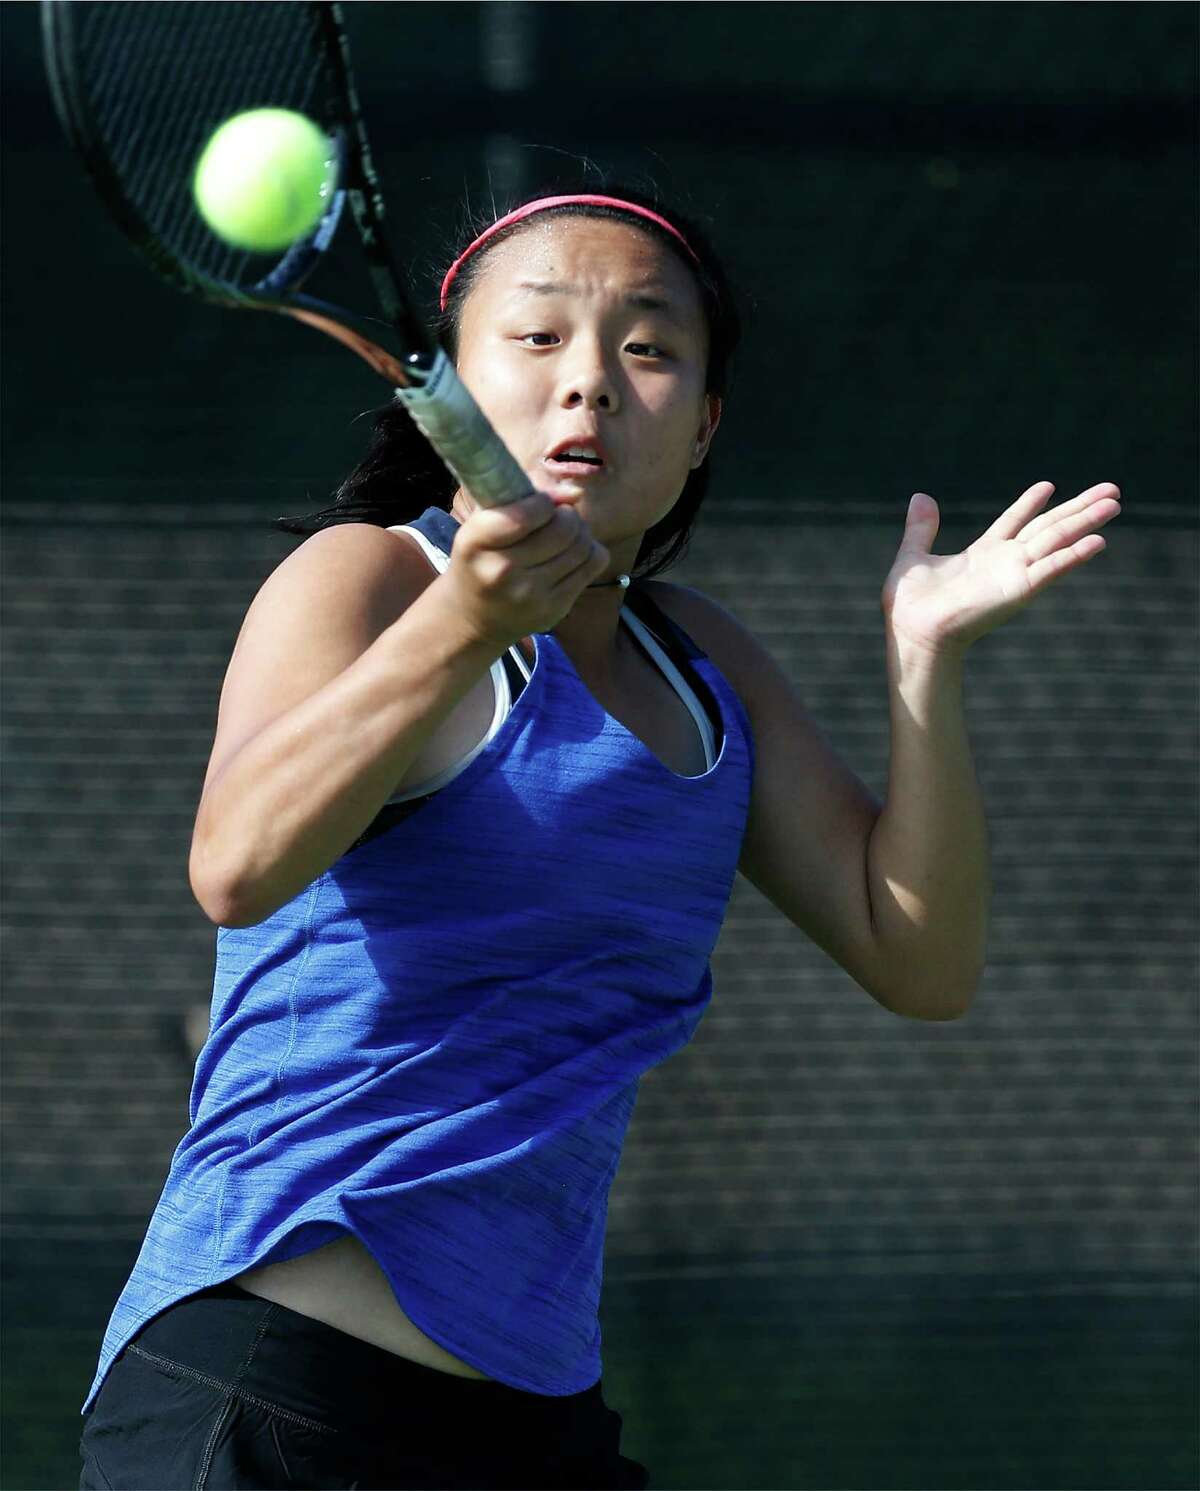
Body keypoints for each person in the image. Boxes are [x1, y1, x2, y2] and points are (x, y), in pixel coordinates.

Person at [77, 177, 1121, 1491]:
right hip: (271, 1387)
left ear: (704, 428)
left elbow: (921, 962)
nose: (591, 384)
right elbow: (235, 867)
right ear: (445, 385)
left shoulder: (706, 671)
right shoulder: (369, 578)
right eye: (537, 337)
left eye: (648, 349)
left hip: (536, 1420)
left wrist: (923, 668)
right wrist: (467, 620)